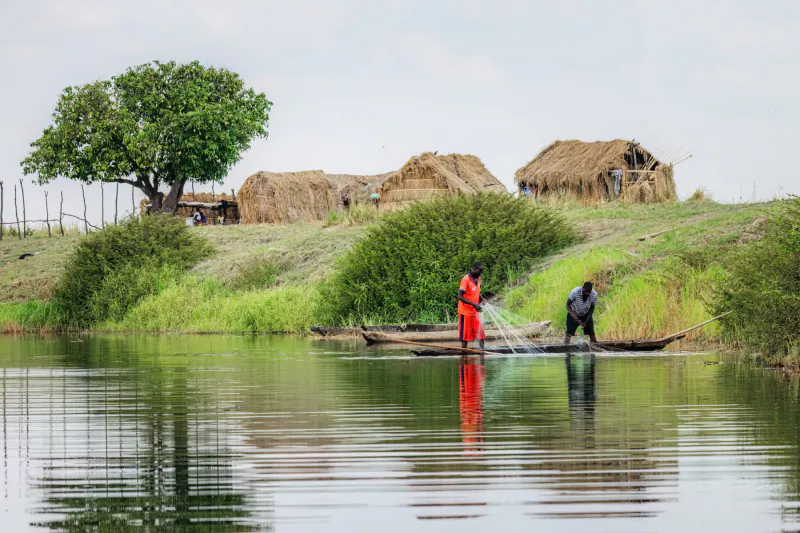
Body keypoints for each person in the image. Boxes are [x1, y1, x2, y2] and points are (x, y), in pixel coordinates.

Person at [457, 262, 487, 350]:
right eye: (479, 271)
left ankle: (482, 352)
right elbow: (460, 296)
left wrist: (481, 299)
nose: (480, 274)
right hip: (465, 312)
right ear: (474, 269)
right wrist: (474, 304)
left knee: (481, 334)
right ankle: (463, 353)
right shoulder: (466, 280)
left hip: (475, 312)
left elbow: (476, 292)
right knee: (465, 336)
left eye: (481, 272)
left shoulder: (478, 279)